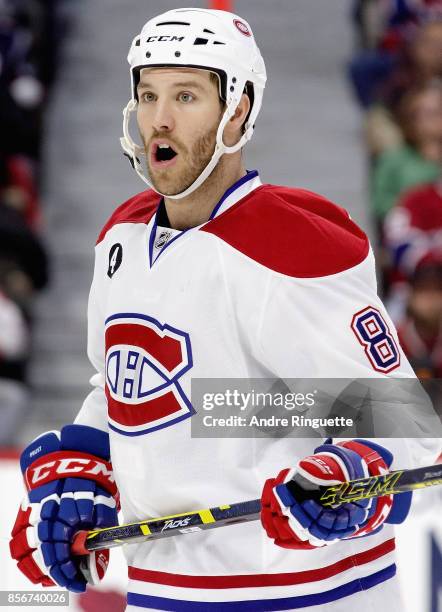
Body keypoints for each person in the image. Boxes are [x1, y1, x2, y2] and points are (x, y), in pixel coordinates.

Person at [8, 8, 441, 611]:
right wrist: (88, 469)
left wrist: (351, 477)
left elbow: (402, 428)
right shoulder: (122, 239)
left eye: (186, 95)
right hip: (162, 593)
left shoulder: (292, 247)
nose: (159, 119)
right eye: (149, 94)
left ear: (236, 109)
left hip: (309, 598)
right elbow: (124, 390)